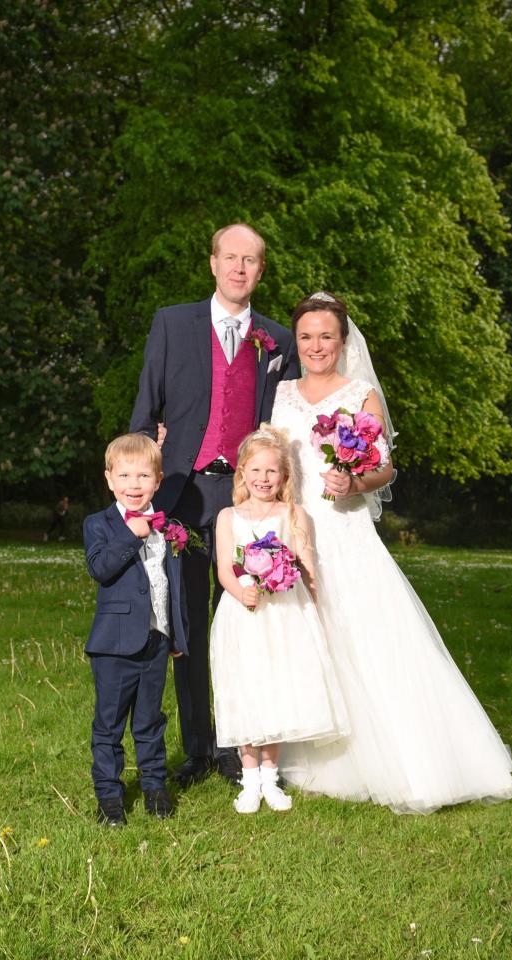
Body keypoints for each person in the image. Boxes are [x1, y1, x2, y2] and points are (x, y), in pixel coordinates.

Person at [271, 292, 512, 813]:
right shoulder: (280, 394)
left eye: (326, 337)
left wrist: (354, 479)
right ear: (297, 341)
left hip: (345, 531)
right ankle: (318, 757)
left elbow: (384, 468)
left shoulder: (361, 396)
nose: (316, 346)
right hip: (296, 532)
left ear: (342, 342)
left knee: (370, 639)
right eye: (307, 336)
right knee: (309, 638)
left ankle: (413, 761)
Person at [129, 223, 300, 788]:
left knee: (245, 624)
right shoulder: (172, 323)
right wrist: (139, 493)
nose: (239, 268)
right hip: (182, 493)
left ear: (260, 271)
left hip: (247, 502)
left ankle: (239, 747)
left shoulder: (277, 339)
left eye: (250, 260)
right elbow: (144, 410)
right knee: (186, 626)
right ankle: (199, 749)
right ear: (213, 263)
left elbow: (286, 428)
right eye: (231, 257)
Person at [210, 427, 348, 814]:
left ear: (285, 476)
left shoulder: (294, 514)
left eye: (272, 472)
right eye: (255, 470)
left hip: (285, 615)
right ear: (242, 474)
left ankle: (271, 777)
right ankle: (248, 778)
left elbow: (307, 566)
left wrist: (316, 607)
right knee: (247, 689)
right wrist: (241, 591)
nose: (263, 479)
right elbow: (224, 568)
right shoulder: (228, 517)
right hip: (245, 615)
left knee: (277, 689)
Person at [83, 433, 188, 826]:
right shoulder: (99, 524)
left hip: (156, 642)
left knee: (150, 720)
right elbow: (100, 568)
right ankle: (109, 796)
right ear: (109, 479)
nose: (133, 485)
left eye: (143, 475)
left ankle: (155, 786)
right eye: (124, 476)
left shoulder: (169, 528)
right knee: (108, 724)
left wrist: (175, 634)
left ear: (158, 480)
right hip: (113, 647)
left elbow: (170, 587)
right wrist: (132, 534)